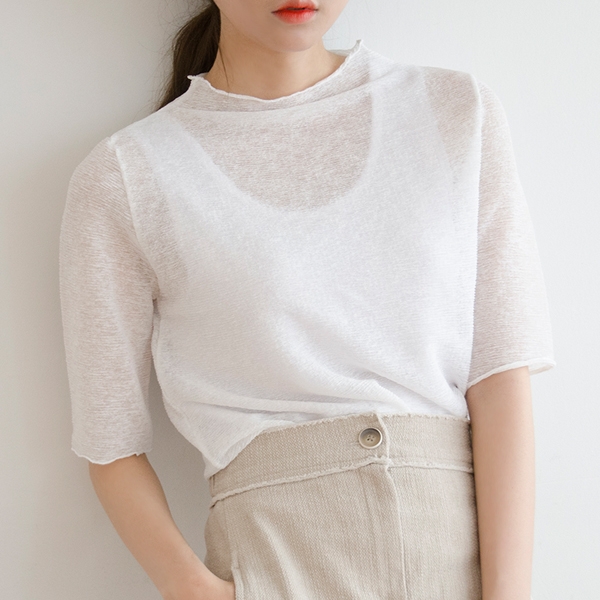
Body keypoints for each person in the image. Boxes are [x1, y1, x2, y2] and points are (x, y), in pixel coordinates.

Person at [58, 1, 555, 599]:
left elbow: (500, 377)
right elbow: (110, 444)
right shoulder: (127, 174)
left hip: (453, 569)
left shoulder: (453, 111)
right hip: (273, 566)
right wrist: (195, 590)